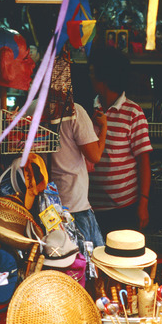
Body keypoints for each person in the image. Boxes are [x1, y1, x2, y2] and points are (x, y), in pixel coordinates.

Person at [87, 45, 152, 233]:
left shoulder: (133, 113)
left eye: (93, 73)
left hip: (124, 208)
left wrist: (143, 204)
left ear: (104, 78)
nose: (90, 77)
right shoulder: (87, 110)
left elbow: (144, 162)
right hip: (89, 207)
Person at [48, 98, 106, 250]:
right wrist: (104, 127)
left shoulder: (31, 108)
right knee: (87, 260)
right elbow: (95, 156)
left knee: (56, 257)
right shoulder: (74, 110)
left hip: (45, 204)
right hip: (74, 205)